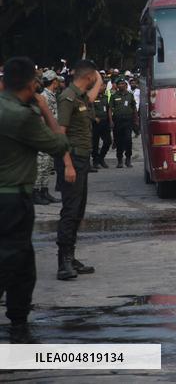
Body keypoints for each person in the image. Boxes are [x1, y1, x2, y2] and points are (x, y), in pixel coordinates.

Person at [0, 57, 71, 333]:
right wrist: (45, 110)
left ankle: (19, 323)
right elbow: (58, 144)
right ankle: (18, 323)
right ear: (32, 84)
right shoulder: (22, 116)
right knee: (12, 262)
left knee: (23, 262)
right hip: (12, 200)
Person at [55, 59, 102, 281]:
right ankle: (63, 262)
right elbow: (60, 133)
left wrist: (97, 74)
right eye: (94, 75)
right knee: (70, 210)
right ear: (88, 76)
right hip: (72, 159)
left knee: (78, 210)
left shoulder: (81, 97)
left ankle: (70, 257)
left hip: (81, 160)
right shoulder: (68, 98)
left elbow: (94, 93)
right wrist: (67, 165)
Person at [33, 70, 62, 204]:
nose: (59, 83)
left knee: (48, 165)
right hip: (44, 135)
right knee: (41, 165)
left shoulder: (52, 95)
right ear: (54, 81)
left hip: (50, 135)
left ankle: (44, 190)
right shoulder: (44, 96)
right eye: (57, 80)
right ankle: (36, 192)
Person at [110, 78, 138, 168]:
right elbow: (110, 109)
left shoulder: (130, 95)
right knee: (119, 141)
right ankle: (119, 160)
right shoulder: (114, 96)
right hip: (117, 121)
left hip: (128, 121)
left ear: (126, 85)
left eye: (123, 84)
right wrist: (111, 121)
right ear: (117, 86)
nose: (121, 85)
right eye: (119, 84)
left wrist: (136, 120)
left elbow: (134, 108)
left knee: (128, 140)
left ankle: (128, 159)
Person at [89, 76, 112, 171]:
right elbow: (88, 108)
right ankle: (95, 161)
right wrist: (94, 117)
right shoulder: (91, 97)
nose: (103, 87)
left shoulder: (106, 97)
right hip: (95, 123)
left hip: (105, 122)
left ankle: (101, 157)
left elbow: (109, 109)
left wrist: (111, 121)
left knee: (108, 141)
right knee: (95, 143)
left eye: (104, 85)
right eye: (101, 85)